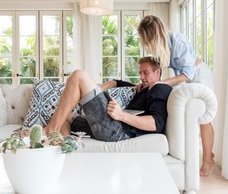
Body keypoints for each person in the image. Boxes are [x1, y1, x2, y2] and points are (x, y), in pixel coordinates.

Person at [138, 15, 215, 177]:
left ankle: (207, 159)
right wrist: (146, 83)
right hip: (184, 79)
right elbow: (154, 71)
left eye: (147, 40)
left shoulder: (178, 41)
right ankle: (204, 154)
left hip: (198, 75)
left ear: (154, 35)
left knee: (203, 118)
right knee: (188, 119)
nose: (146, 45)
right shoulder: (161, 47)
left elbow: (189, 72)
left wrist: (164, 83)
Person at [43, 57, 172, 142]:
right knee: (64, 113)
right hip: (108, 127)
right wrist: (99, 89)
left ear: (158, 72)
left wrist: (121, 115)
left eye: (145, 73)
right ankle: (61, 140)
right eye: (140, 73)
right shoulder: (143, 89)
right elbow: (116, 82)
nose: (141, 77)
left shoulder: (160, 88)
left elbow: (156, 123)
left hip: (118, 130)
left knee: (79, 75)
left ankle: (50, 130)